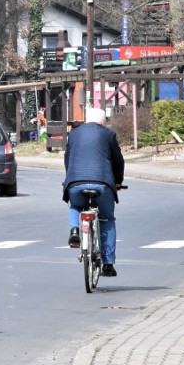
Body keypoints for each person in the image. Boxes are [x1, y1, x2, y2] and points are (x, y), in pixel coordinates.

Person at [62, 107, 125, 277]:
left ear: (85, 119)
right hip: (103, 184)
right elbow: (118, 161)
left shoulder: (73, 134)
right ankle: (108, 264)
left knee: (75, 206)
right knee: (107, 219)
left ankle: (75, 230)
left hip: (75, 182)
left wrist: (70, 179)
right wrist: (118, 181)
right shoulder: (108, 135)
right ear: (103, 121)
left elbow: (68, 158)